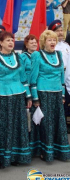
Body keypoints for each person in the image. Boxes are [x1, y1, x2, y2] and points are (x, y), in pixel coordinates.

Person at [0, 31, 32, 169]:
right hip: (1, 96)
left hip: (18, 96)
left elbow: (23, 79)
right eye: (7, 41)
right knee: (3, 127)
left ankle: (15, 156)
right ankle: (2, 157)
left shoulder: (19, 57)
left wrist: (28, 96)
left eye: (12, 40)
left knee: (17, 126)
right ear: (0, 43)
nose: (11, 43)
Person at [29, 30, 70, 162]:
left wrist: (63, 95)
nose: (53, 42)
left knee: (59, 122)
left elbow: (62, 76)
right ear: (43, 42)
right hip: (43, 93)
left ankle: (59, 151)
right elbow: (33, 78)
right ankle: (45, 151)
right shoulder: (37, 55)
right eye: (49, 40)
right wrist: (35, 98)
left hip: (57, 93)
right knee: (46, 123)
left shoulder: (59, 54)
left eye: (54, 40)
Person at [48, 20, 70, 125]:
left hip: (67, 81)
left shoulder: (66, 46)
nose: (61, 33)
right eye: (58, 31)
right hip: (56, 82)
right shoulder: (50, 47)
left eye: (61, 30)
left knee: (66, 107)